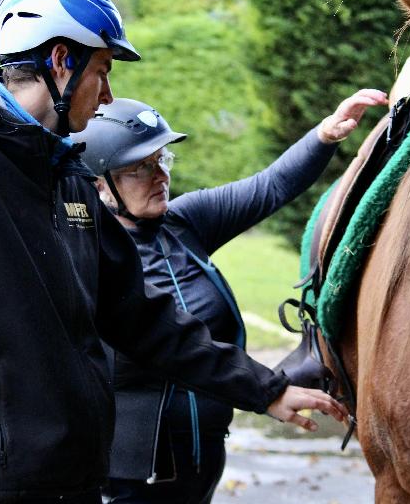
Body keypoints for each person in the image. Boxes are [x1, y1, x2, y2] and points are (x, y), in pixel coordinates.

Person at [0, 0, 347, 504]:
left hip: (76, 485)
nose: (109, 94)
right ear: (61, 62)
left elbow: (143, 318)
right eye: (102, 71)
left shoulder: (65, 175)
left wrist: (264, 389)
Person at [73, 91, 388, 504]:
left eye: (161, 160)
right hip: (128, 479)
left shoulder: (184, 222)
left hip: (202, 461)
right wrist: (266, 390)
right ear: (100, 185)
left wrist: (323, 136)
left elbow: (269, 187)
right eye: (139, 168)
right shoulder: (88, 253)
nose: (160, 175)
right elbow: (169, 344)